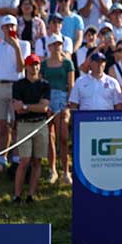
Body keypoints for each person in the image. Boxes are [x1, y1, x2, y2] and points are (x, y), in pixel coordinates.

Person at [0, 15, 31, 153]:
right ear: (2, 29)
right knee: (1, 125)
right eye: (7, 26)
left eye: (12, 26)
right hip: (0, 86)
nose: (10, 29)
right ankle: (1, 157)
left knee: (16, 125)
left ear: (16, 27)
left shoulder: (24, 45)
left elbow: (20, 68)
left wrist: (16, 47)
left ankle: (17, 157)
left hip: (17, 86)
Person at [11, 55, 51, 204]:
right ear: (26, 67)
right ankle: (17, 195)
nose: (34, 67)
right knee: (25, 160)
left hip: (41, 124)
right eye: (31, 65)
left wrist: (27, 106)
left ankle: (30, 195)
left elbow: (44, 107)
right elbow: (17, 108)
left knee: (37, 160)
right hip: (24, 124)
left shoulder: (45, 85)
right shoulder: (19, 85)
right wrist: (34, 108)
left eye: (37, 64)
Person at [42, 35, 74, 185]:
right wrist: (44, 104)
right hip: (48, 100)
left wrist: (68, 105)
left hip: (62, 100)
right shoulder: (44, 65)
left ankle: (66, 171)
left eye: (59, 44)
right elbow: (41, 85)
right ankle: (52, 170)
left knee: (63, 137)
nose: (57, 47)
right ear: (49, 47)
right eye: (54, 44)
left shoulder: (68, 63)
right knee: (50, 137)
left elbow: (71, 85)